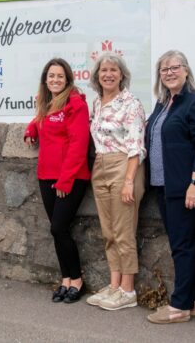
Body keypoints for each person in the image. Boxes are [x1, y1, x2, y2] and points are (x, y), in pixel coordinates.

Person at [145, 50, 195, 324]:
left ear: (186, 70)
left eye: (175, 67)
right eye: (164, 69)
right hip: (163, 185)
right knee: (183, 243)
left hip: (184, 186)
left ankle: (180, 306)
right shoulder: (163, 104)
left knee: (181, 245)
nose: (169, 73)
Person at [24, 58, 91, 304]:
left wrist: (65, 181)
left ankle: (77, 280)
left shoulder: (75, 104)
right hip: (46, 175)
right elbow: (41, 119)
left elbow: (79, 144)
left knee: (59, 228)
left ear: (68, 79)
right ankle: (66, 280)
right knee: (58, 231)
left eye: (60, 76)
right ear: (45, 79)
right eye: (51, 76)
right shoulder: (48, 103)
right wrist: (31, 128)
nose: (55, 80)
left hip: (70, 177)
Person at [83, 53, 146, 311]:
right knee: (109, 231)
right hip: (101, 164)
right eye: (103, 70)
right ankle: (114, 284)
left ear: (122, 75)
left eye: (113, 70)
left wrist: (129, 180)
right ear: (97, 76)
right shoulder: (97, 103)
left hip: (124, 165)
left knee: (123, 230)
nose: (108, 74)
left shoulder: (131, 103)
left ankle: (128, 290)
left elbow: (136, 146)